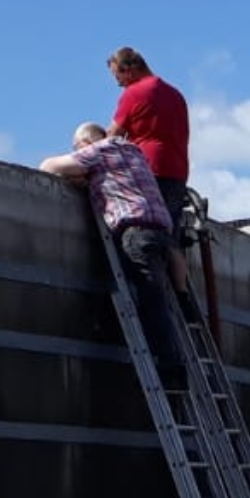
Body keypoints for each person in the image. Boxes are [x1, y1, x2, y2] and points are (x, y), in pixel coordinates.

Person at [40, 124, 186, 386]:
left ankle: (171, 369)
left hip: (135, 231)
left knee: (150, 302)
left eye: (77, 147)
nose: (77, 151)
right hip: (161, 232)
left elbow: (49, 167)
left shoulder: (101, 149)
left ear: (86, 142)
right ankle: (175, 353)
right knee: (158, 298)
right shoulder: (134, 153)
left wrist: (79, 169)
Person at [107, 46, 190, 291]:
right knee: (170, 239)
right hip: (177, 172)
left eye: (118, 77)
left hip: (148, 171)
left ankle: (154, 293)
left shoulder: (134, 93)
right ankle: (182, 293)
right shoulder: (175, 94)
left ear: (130, 70)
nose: (119, 84)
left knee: (143, 239)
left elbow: (112, 136)